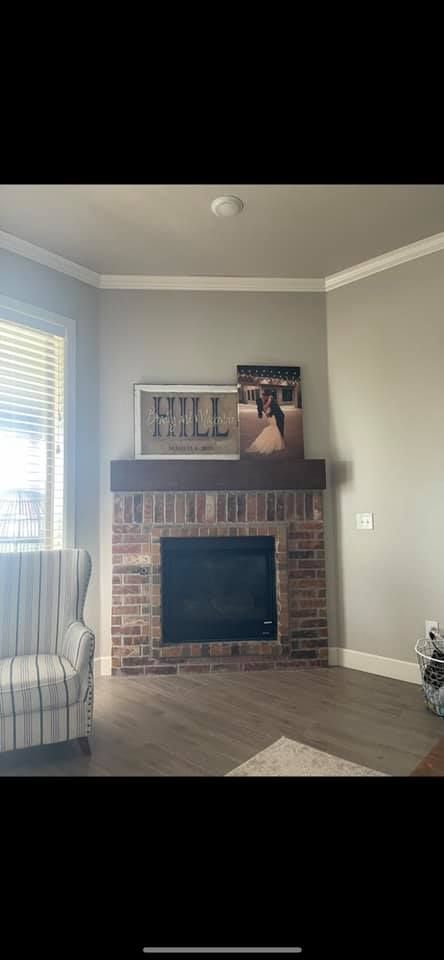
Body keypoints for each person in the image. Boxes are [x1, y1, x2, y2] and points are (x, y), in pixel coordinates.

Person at [246, 389, 285, 454]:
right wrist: (265, 413)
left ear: (267, 396)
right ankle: (279, 439)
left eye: (264, 395)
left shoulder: (271, 400)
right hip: (271, 417)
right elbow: (262, 408)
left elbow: (275, 409)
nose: (263, 397)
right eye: (263, 395)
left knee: (279, 427)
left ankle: (280, 438)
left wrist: (268, 413)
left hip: (279, 416)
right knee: (275, 427)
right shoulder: (265, 400)